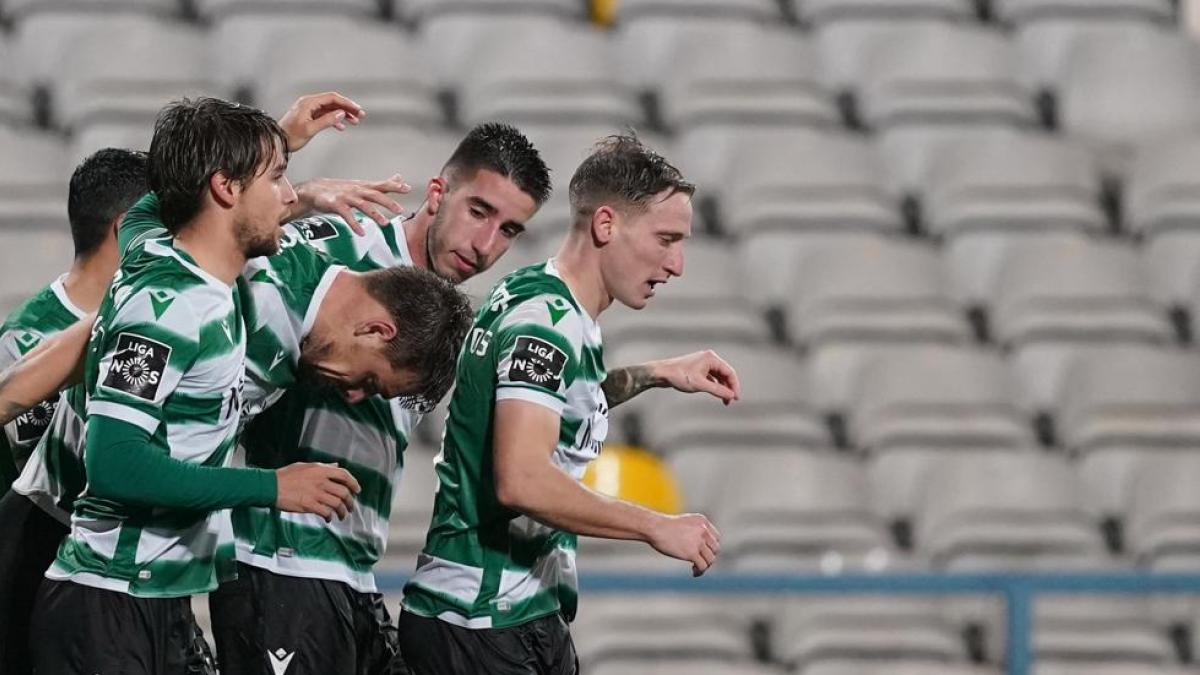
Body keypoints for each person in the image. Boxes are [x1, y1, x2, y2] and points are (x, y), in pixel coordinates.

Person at [0, 93, 419, 675]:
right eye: (278, 178)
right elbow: (116, 462)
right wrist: (272, 487)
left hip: (152, 598)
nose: (294, 194)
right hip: (105, 602)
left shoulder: (157, 254)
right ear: (226, 189)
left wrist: (277, 140)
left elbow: (160, 200)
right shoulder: (167, 309)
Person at [214, 122, 553, 675]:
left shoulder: (451, 319)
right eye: (479, 212)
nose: (485, 245)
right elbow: (212, 254)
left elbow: (528, 407)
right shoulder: (338, 252)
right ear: (438, 193)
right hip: (276, 566)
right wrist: (295, 199)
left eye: (509, 229)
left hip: (355, 574)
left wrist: (646, 376)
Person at [396, 134, 741, 675]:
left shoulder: (539, 295)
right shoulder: (546, 326)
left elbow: (546, 410)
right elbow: (522, 479)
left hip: (508, 613)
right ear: (606, 225)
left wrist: (657, 374)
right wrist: (655, 526)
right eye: (666, 239)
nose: (676, 264)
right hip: (481, 620)